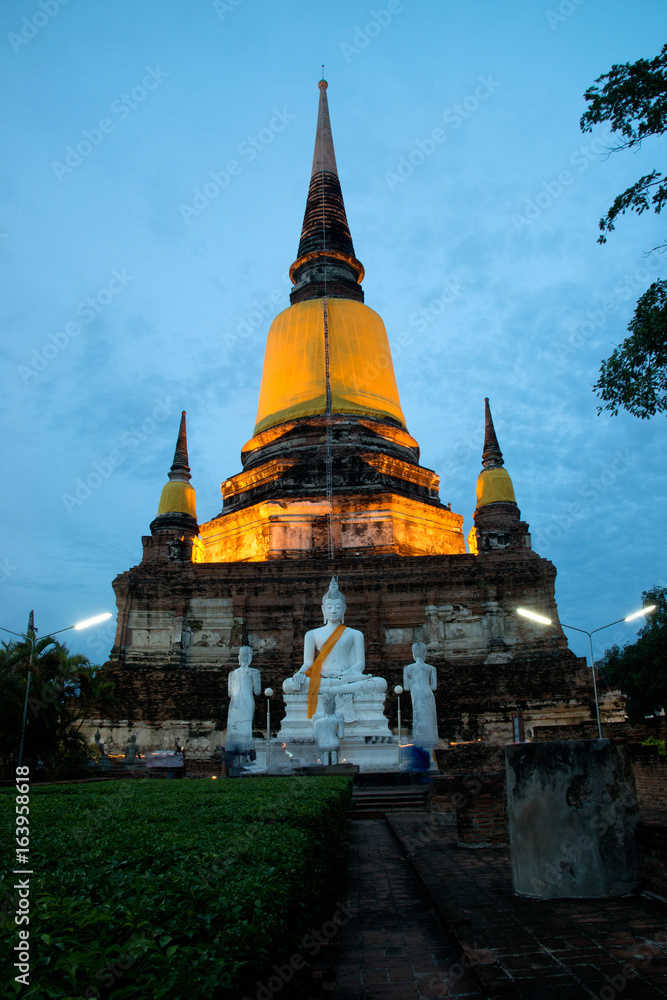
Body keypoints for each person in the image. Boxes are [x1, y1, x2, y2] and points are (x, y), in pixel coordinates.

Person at [403, 641, 438, 756]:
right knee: (429, 718)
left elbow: (406, 687)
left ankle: (420, 742)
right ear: (424, 652)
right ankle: (428, 744)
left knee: (418, 717)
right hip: (428, 693)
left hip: (416, 692)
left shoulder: (408, 668)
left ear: (413, 653)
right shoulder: (431, 668)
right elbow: (433, 687)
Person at [226, 646, 261, 758]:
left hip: (235, 701)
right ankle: (246, 749)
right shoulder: (254, 672)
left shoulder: (232, 674)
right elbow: (257, 691)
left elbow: (230, 692)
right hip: (247, 699)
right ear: (250, 658)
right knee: (246, 725)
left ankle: (233, 750)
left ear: (239, 658)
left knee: (234, 727)